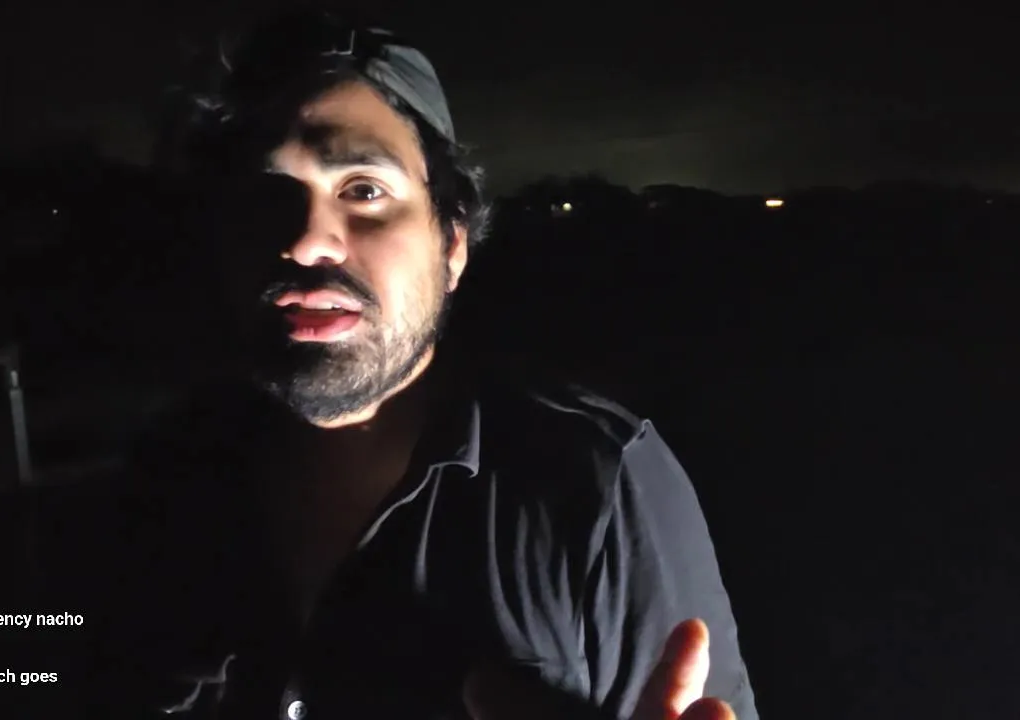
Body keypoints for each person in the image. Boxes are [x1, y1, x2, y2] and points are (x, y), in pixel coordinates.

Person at [87, 9, 758, 720]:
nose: (307, 241)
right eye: (266, 193)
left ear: (452, 245)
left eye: (364, 191)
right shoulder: (169, 474)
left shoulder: (593, 481)